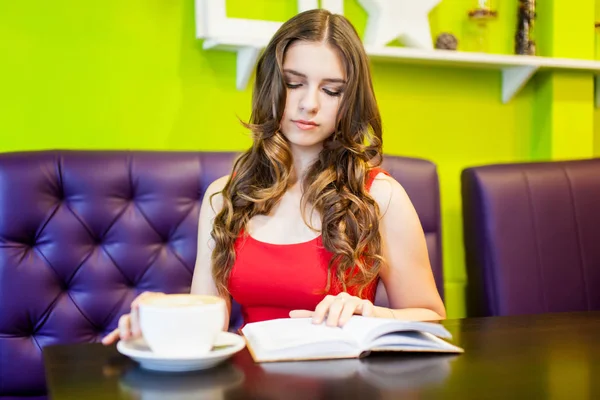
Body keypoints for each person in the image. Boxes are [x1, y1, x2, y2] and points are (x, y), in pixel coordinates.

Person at [102, 8, 445, 346]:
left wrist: (369, 313)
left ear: (350, 100)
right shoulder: (224, 196)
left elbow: (433, 317)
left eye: (331, 91)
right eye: (293, 83)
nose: (309, 104)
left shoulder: (380, 197)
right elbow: (210, 322)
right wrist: (158, 321)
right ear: (271, 85)